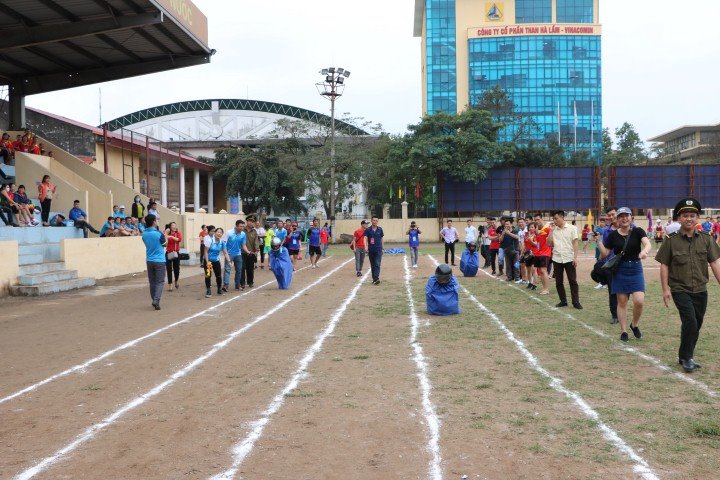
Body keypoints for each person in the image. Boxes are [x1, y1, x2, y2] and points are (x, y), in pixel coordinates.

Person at [655, 198, 720, 372]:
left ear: (697, 218)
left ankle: (685, 355)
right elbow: (664, 265)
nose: (689, 218)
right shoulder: (671, 240)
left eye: (692, 215)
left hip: (700, 289)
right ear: (679, 218)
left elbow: (715, 263)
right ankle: (687, 358)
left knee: (696, 323)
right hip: (679, 289)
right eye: (685, 215)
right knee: (690, 321)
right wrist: (665, 289)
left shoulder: (706, 239)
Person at [597, 207, 651, 342]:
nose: (624, 218)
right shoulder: (613, 235)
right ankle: (624, 331)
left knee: (639, 301)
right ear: (617, 219)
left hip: (636, 268)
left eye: (626, 215)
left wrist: (644, 252)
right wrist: (598, 241)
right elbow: (605, 254)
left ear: (631, 217)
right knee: (622, 302)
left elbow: (647, 244)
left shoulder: (638, 231)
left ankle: (634, 324)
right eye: (621, 216)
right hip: (620, 269)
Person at [547, 210, 582, 309]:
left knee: (573, 281)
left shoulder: (572, 228)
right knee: (558, 281)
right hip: (557, 258)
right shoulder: (554, 230)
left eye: (556, 218)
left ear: (563, 217)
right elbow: (549, 243)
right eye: (553, 219)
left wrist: (575, 257)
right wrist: (551, 231)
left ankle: (576, 301)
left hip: (569, 258)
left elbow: (575, 243)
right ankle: (563, 301)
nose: (554, 220)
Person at [596, 207, 619, 322]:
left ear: (618, 214)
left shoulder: (628, 227)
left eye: (612, 214)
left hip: (624, 265)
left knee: (624, 291)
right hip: (610, 265)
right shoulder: (606, 231)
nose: (610, 217)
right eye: (608, 215)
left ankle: (621, 311)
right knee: (612, 291)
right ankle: (615, 315)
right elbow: (605, 250)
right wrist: (599, 262)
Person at [142, 214, 167, 310]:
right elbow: (165, 244)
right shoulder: (159, 233)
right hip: (160, 260)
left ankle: (154, 300)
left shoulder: (144, 233)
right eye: (156, 220)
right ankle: (156, 300)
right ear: (153, 222)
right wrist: (165, 235)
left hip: (149, 260)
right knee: (160, 281)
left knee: (152, 282)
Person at [204, 227, 230, 297]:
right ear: (215, 233)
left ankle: (219, 289)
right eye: (218, 232)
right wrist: (207, 262)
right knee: (208, 275)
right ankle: (208, 290)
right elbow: (205, 252)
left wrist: (229, 261)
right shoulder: (210, 240)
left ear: (222, 234)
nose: (219, 233)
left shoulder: (222, 242)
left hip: (216, 261)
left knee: (218, 276)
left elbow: (225, 253)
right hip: (208, 261)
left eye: (221, 233)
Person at [224, 219, 247, 291]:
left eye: (243, 226)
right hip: (229, 254)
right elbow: (224, 243)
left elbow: (243, 245)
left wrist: (248, 251)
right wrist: (225, 253)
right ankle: (226, 285)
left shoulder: (243, 234)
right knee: (227, 269)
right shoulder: (229, 232)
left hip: (238, 254)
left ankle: (237, 285)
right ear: (236, 226)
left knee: (239, 270)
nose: (242, 228)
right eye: (240, 226)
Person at [498, 218, 520, 282]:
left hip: (515, 251)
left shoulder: (515, 230)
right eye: (505, 224)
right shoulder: (503, 232)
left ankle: (517, 278)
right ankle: (509, 277)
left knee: (516, 265)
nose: (506, 225)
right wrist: (503, 234)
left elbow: (516, 237)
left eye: (508, 224)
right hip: (506, 250)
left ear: (511, 224)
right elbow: (500, 240)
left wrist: (508, 233)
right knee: (508, 265)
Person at [364, 216, 384, 285]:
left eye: (376, 220)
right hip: (371, 250)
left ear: (377, 222)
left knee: (377, 264)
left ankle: (376, 278)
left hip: (378, 249)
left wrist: (383, 248)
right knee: (372, 265)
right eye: (374, 220)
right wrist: (366, 246)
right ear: (371, 221)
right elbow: (365, 238)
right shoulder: (368, 230)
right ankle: (374, 279)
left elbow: (381, 239)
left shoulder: (380, 229)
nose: (375, 222)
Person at [243, 216, 261, 288]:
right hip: (242, 252)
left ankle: (250, 282)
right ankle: (242, 283)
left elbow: (256, 241)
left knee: (250, 269)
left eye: (253, 221)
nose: (251, 223)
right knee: (242, 268)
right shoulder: (242, 230)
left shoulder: (254, 231)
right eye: (249, 221)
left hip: (251, 253)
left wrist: (256, 250)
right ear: (247, 221)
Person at [165, 222, 182, 291]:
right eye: (172, 225)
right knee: (169, 269)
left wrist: (171, 237)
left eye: (175, 225)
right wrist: (166, 233)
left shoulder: (178, 233)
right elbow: (163, 240)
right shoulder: (166, 233)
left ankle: (176, 280)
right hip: (168, 253)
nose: (174, 226)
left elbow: (179, 240)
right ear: (170, 227)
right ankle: (170, 285)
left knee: (177, 269)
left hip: (176, 253)